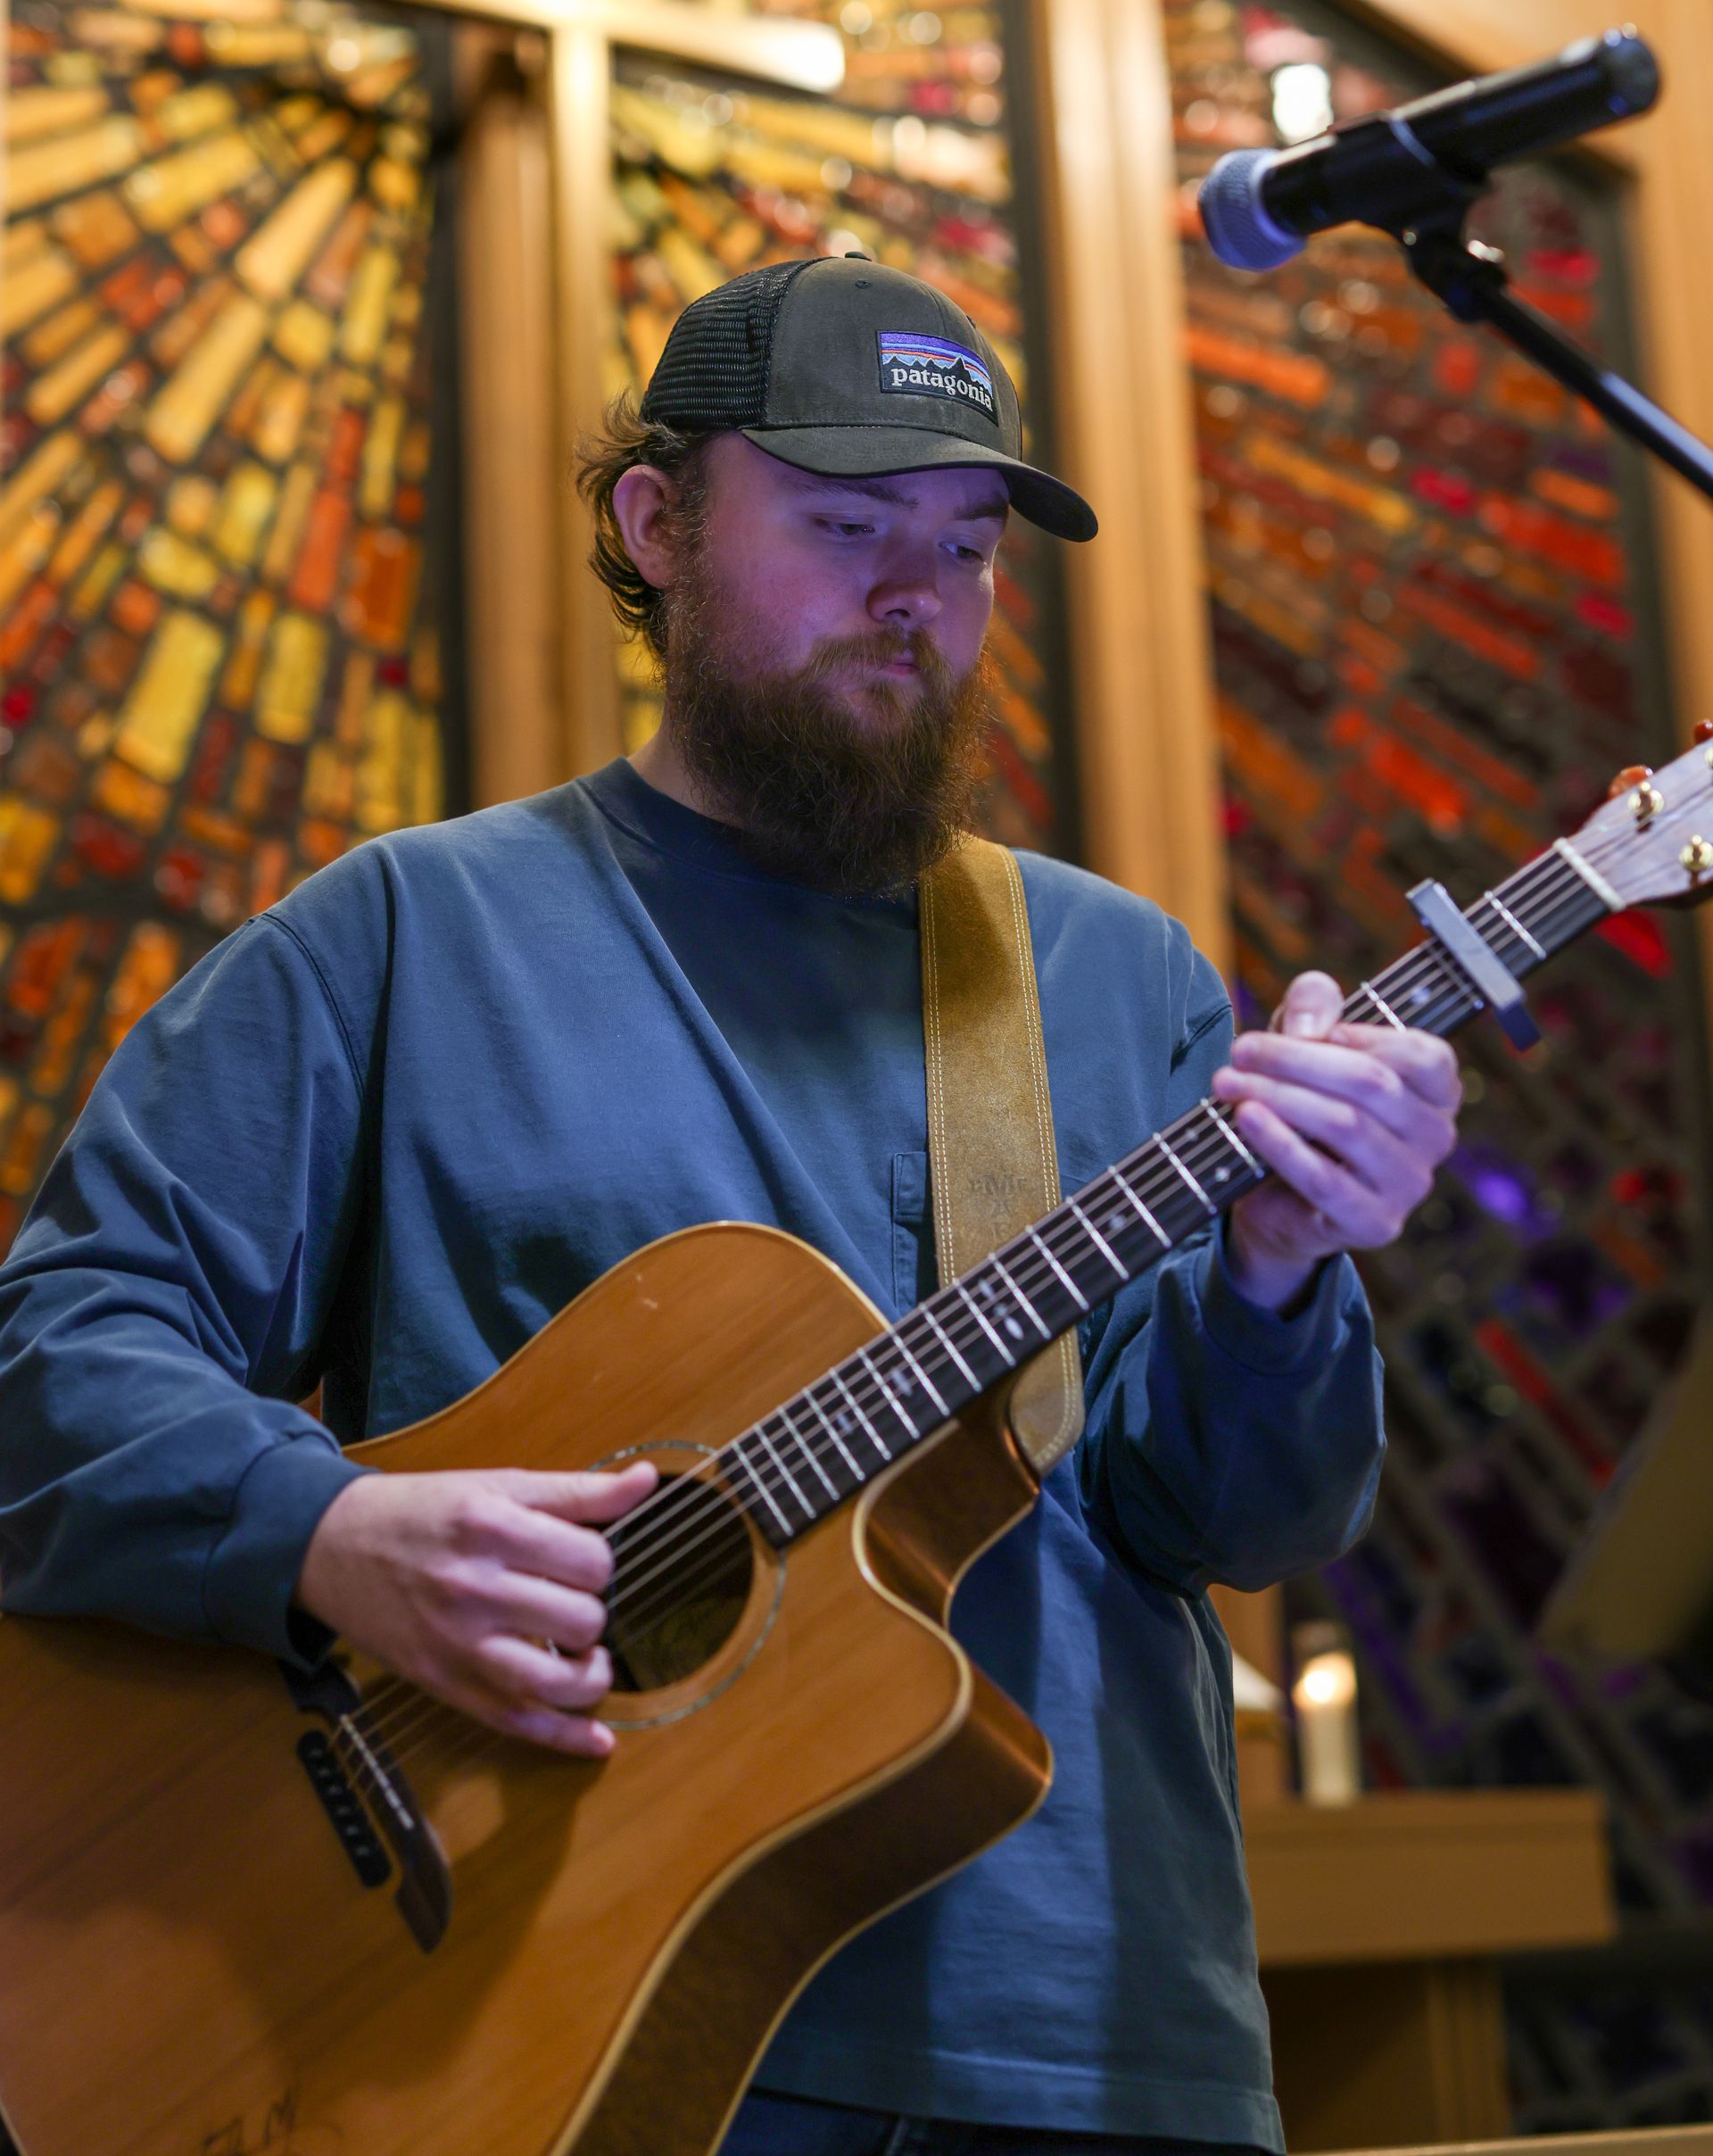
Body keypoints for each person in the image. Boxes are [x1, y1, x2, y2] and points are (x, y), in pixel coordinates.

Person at [0, 257, 1460, 2156]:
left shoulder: (1114, 977)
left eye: (966, 546)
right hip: (529, 2004)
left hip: (1093, 2037)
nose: (915, 592)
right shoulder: (407, 935)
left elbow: (1242, 1519)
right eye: (848, 525)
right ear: (656, 523)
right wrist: (326, 1530)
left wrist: (1283, 1268)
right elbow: (57, 1356)